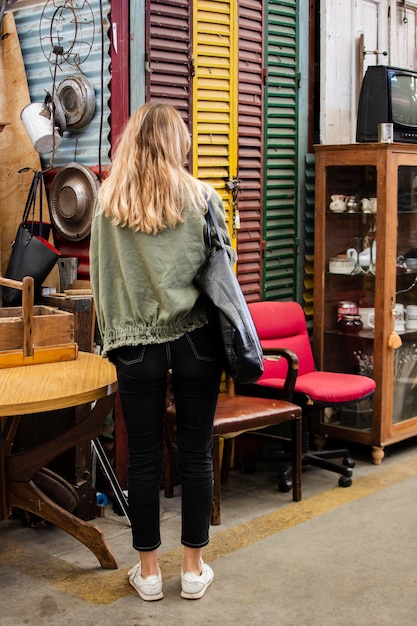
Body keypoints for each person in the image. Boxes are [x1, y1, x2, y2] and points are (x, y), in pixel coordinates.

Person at [90, 102, 235, 601]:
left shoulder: (108, 203)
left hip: (134, 343)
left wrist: (111, 335)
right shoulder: (202, 197)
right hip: (196, 338)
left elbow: (102, 280)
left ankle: (149, 572)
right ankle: (193, 569)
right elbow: (223, 269)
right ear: (177, 144)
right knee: (195, 452)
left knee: (145, 458)